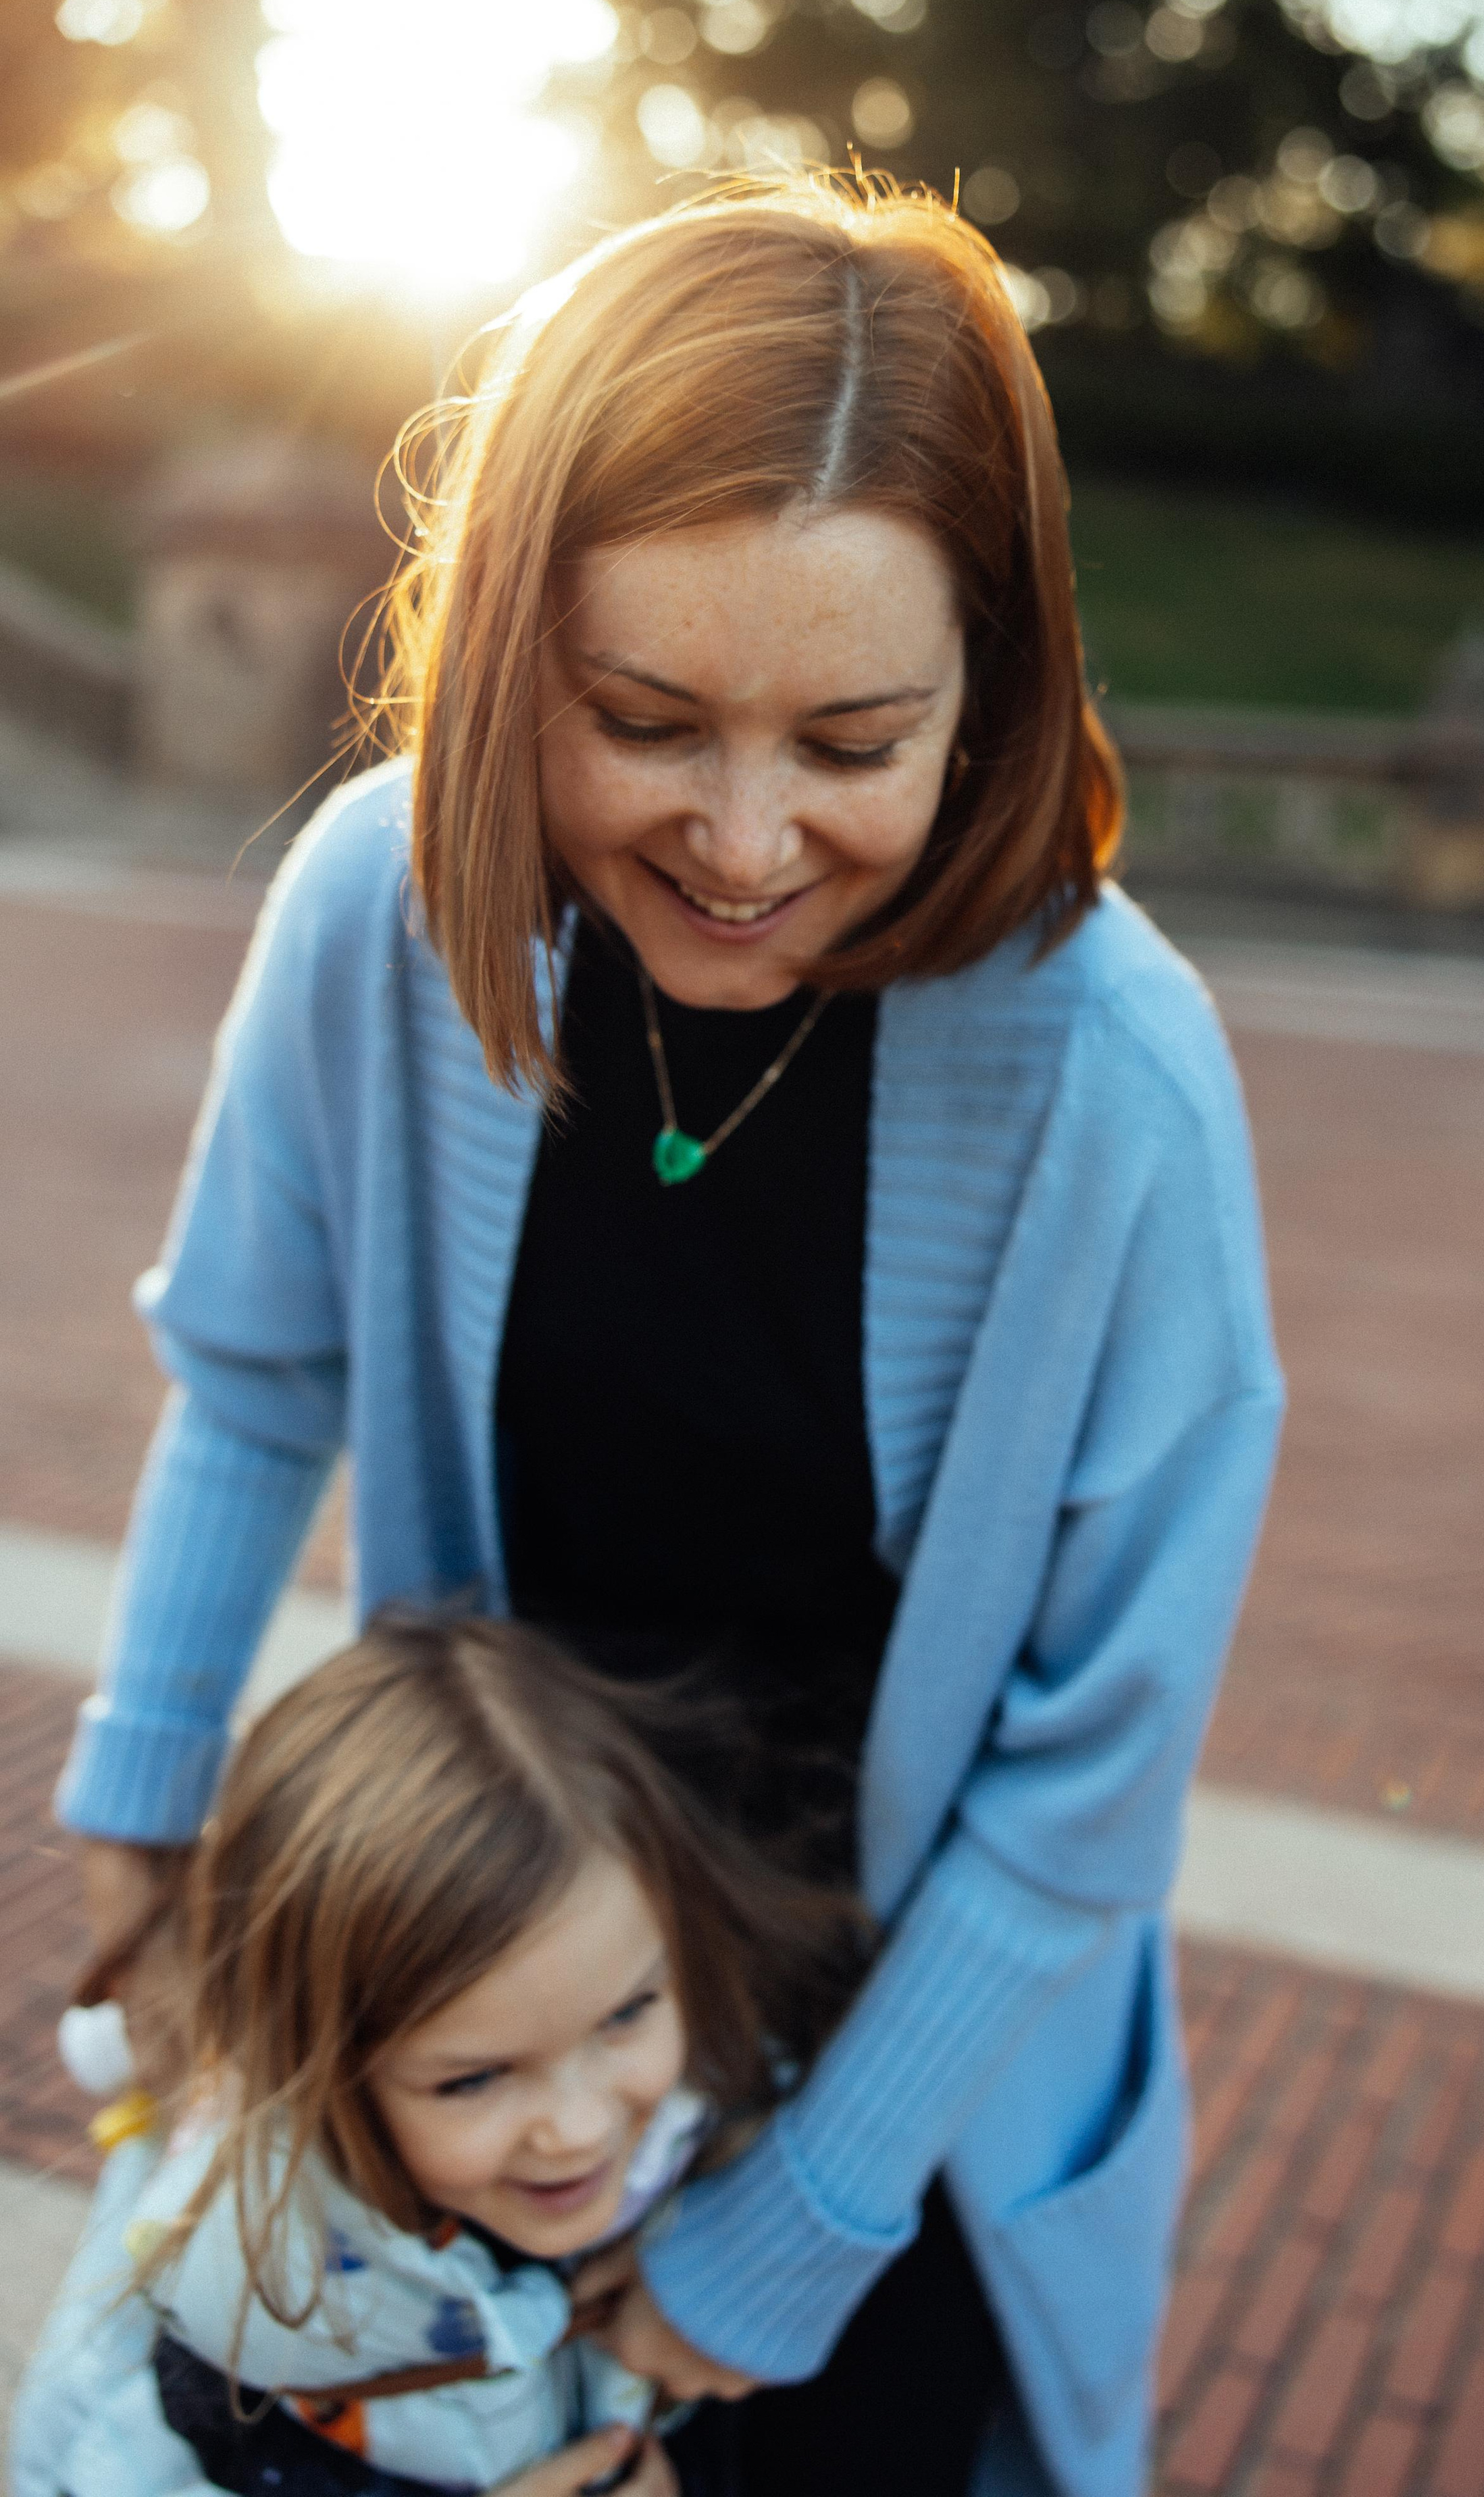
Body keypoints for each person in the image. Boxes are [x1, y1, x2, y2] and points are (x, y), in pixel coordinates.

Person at [55, 176, 1285, 2497]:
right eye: (642, 721)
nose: (742, 842)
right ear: (516, 646)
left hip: (886, 2094)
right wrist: (146, 1788)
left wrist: (796, 2229)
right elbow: (253, 1371)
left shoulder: (1116, 1081)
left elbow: (1087, 1784)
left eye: (851, 741)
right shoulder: (377, 912)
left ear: (990, 692)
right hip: (477, 2019)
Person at [18, 1612, 865, 2497]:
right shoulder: (243, 2305)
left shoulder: (724, 2124)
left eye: (627, 2014)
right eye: (474, 2078)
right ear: (323, 2065)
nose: (578, 2130)